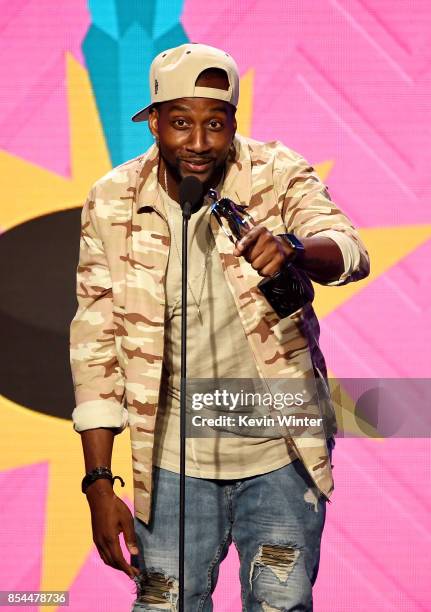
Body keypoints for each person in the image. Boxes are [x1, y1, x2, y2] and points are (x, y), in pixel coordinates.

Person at [70, 43, 370, 611]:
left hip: (280, 457)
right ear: (153, 120)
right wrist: (99, 483)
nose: (200, 142)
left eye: (216, 122)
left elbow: (350, 251)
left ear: (234, 120)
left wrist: (296, 248)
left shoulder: (277, 173)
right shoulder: (111, 201)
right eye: (181, 123)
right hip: (170, 465)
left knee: (281, 605)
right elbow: (95, 344)